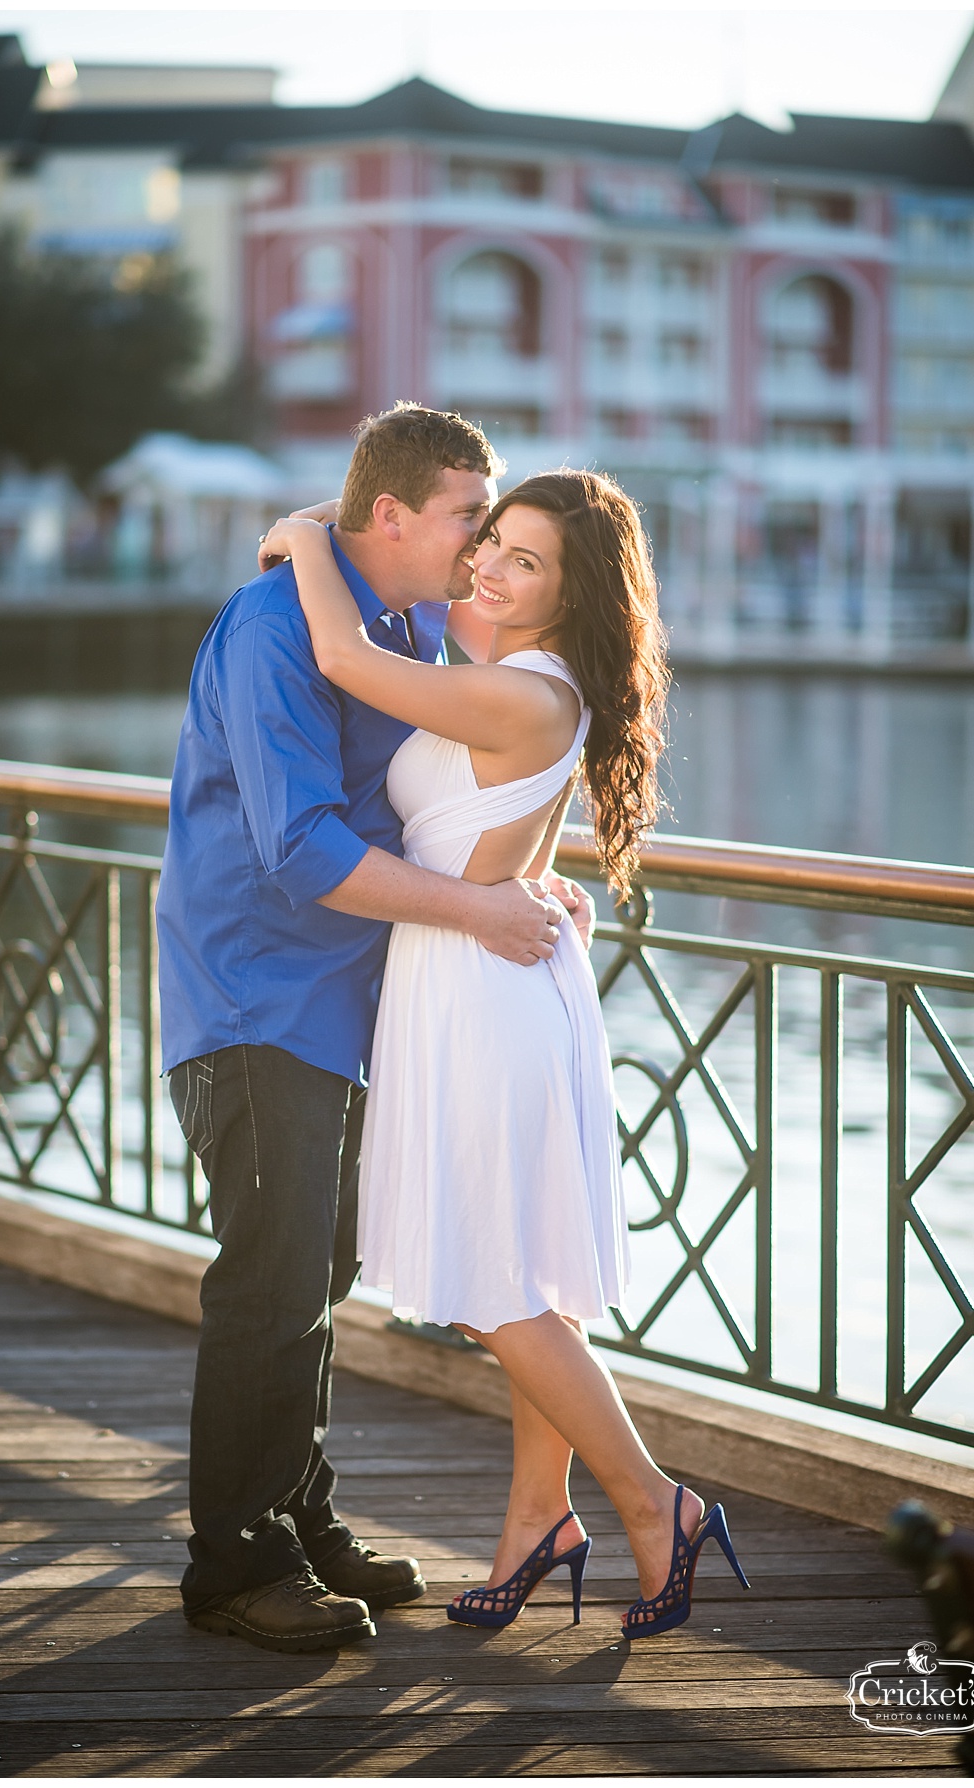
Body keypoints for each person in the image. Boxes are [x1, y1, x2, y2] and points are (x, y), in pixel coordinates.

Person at [258, 469, 750, 1641]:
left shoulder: (530, 690)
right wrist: (531, 873)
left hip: (481, 990)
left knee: (495, 1287)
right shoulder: (515, 679)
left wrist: (306, 537)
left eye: (526, 561)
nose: (492, 569)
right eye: (495, 543)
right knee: (529, 1271)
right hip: (480, 966)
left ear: (572, 596)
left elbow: (347, 662)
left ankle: (655, 1501)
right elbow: (477, 804)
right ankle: (540, 1517)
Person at [155, 404, 595, 1655]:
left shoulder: (395, 621)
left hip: (357, 1004)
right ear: (394, 513)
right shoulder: (272, 629)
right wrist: (475, 909)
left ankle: (300, 1515)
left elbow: (472, 776)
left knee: (322, 1272)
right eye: (469, 518)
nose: (479, 547)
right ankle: (236, 1561)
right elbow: (300, 850)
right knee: (273, 1281)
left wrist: (527, 877)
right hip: (256, 998)